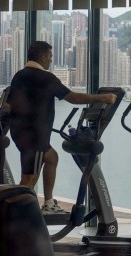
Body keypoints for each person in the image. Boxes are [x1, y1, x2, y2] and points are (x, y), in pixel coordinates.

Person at [7, 41, 117, 213]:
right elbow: (73, 98)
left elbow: (10, 105)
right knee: (29, 178)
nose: (50, 60)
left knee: (51, 158)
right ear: (43, 57)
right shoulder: (45, 78)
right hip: (34, 136)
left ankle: (48, 203)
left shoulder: (19, 75)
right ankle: (13, 217)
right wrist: (103, 98)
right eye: (50, 57)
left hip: (21, 132)